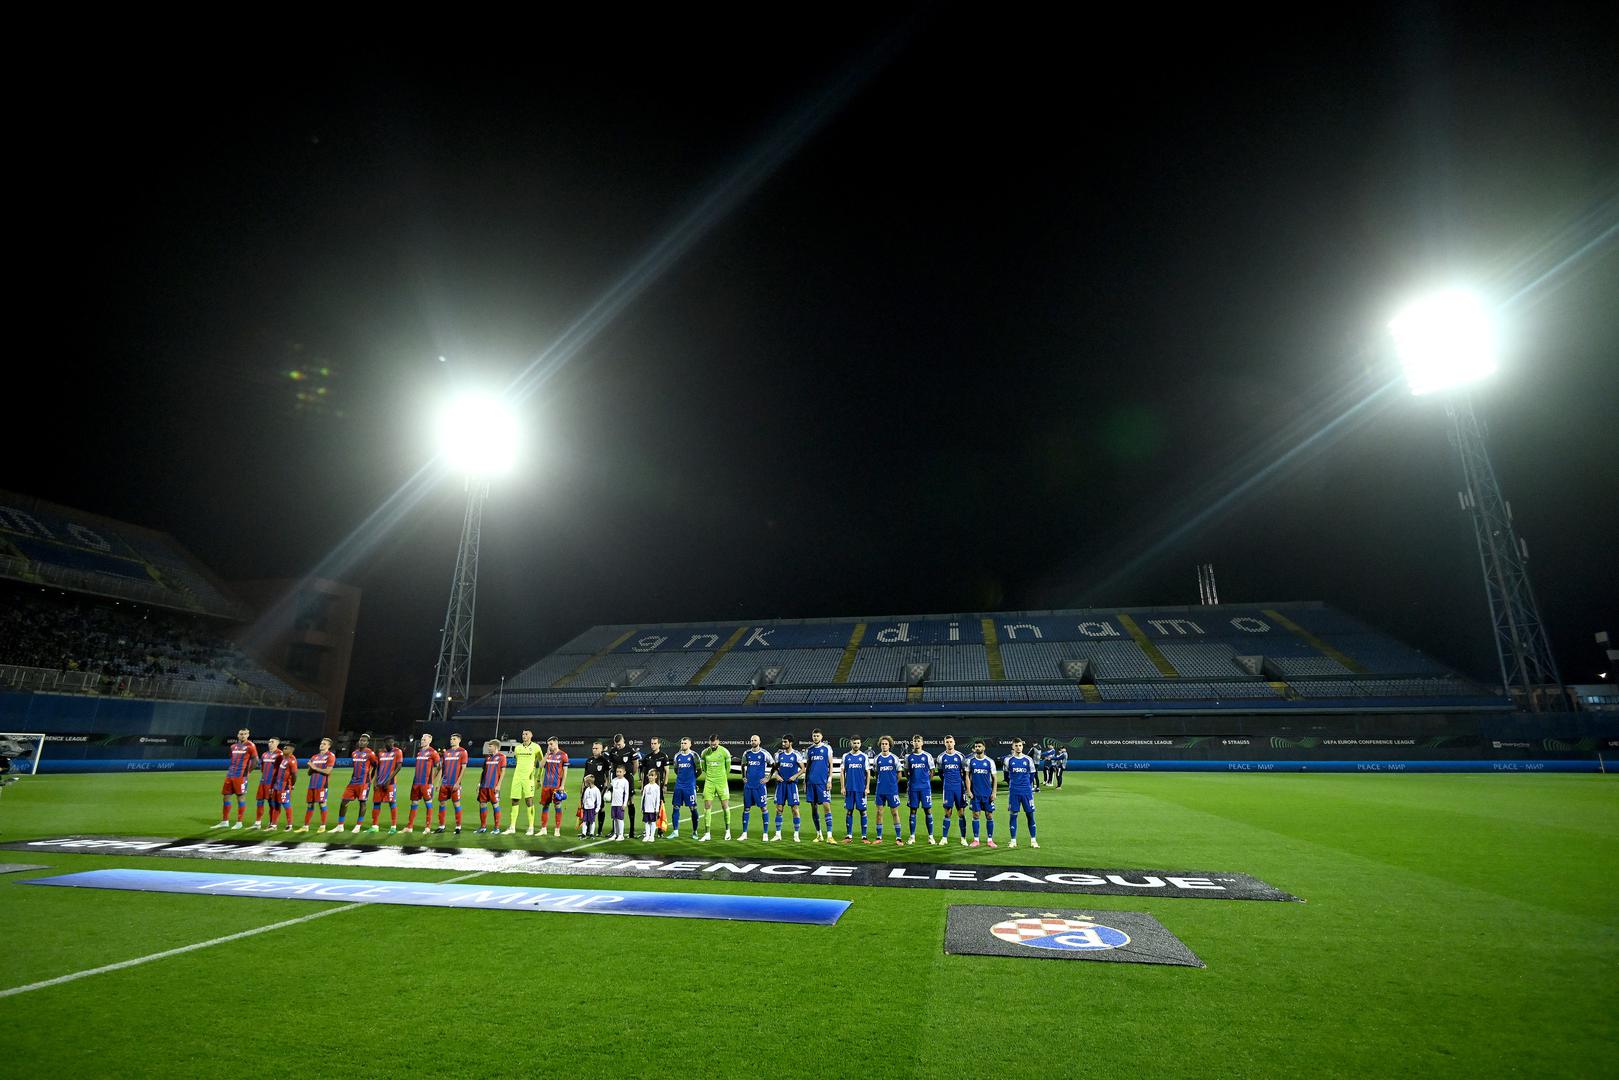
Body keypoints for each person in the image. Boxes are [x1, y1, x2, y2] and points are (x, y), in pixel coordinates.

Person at [214, 727, 259, 829]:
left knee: (240, 797)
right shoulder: (233, 746)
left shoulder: (251, 746)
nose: (243, 736)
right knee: (226, 796)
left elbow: (256, 760)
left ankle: (239, 822)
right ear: (238, 735)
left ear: (248, 735)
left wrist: (248, 772)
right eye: (241, 734)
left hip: (241, 776)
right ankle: (225, 821)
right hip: (230, 775)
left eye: (245, 734)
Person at [332, 734, 378, 833]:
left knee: (362, 803)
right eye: (360, 740)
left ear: (367, 743)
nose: (361, 742)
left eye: (364, 741)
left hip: (364, 782)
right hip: (353, 782)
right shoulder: (354, 753)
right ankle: (340, 826)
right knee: (344, 802)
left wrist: (371, 778)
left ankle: (358, 826)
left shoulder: (370, 753)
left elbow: (375, 766)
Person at [1004, 738, 1039, 849]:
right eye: (1016, 745)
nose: (1018, 747)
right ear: (1012, 747)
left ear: (1022, 746)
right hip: (1014, 792)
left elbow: (1032, 775)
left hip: (1026, 792)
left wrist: (1027, 785)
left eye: (1020, 745)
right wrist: (1013, 784)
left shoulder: (1028, 759)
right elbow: (1006, 775)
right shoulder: (1008, 760)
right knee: (1013, 815)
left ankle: (1033, 840)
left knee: (1030, 815)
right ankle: (1013, 840)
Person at [504, 730, 541, 835]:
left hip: (528, 779)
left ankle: (531, 827)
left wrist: (538, 778)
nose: (524, 736)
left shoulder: (536, 747)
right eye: (523, 734)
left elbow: (541, 762)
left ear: (531, 735)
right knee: (514, 800)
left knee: (529, 801)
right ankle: (512, 827)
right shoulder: (518, 748)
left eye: (526, 734)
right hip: (517, 778)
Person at [297, 737, 336, 832]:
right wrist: (310, 767)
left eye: (324, 744)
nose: (321, 745)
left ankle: (323, 826)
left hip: (322, 785)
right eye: (321, 743)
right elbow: (309, 773)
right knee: (310, 805)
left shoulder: (330, 756)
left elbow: (328, 771)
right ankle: (305, 826)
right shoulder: (314, 757)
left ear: (329, 746)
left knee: (322, 804)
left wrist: (314, 767)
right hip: (312, 784)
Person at [738, 734, 773, 841]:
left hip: (760, 786)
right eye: (752, 740)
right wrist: (743, 776)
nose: (753, 742)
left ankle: (765, 834)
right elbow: (743, 765)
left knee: (763, 808)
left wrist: (768, 777)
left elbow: (774, 765)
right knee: (746, 808)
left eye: (755, 740)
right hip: (748, 786)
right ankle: (744, 833)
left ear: (759, 741)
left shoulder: (764, 753)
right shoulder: (747, 753)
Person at [936, 734, 969, 846]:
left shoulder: (960, 756)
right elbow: (940, 773)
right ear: (944, 743)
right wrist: (947, 782)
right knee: (947, 812)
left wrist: (964, 786)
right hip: (948, 788)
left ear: (954, 742)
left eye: (951, 741)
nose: (949, 744)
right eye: (947, 742)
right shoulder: (941, 757)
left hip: (959, 787)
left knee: (961, 812)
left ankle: (963, 838)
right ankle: (944, 838)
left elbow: (965, 773)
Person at [699, 733, 733, 841]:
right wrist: (711, 776)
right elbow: (704, 768)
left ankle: (728, 831)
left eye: (714, 743)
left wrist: (722, 777)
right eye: (711, 743)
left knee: (724, 805)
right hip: (709, 782)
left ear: (718, 742)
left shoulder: (725, 752)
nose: (713, 745)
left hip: (721, 782)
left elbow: (728, 769)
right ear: (709, 742)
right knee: (707, 806)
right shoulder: (705, 753)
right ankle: (707, 833)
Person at [405, 734, 440, 833]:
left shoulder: (433, 752)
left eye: (424, 740)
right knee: (414, 803)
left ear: (429, 741)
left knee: (428, 804)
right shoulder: (419, 752)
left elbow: (439, 767)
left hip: (426, 783)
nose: (422, 741)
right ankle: (409, 827)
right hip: (416, 782)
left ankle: (427, 827)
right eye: (422, 739)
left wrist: (435, 782)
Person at [905, 734, 937, 845]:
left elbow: (932, 771)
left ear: (922, 743)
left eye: (919, 741)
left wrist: (926, 781)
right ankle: (912, 836)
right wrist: (912, 781)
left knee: (928, 810)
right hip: (913, 788)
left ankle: (931, 837)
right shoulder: (908, 757)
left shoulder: (927, 756)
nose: (917, 743)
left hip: (925, 789)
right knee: (913, 811)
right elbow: (906, 771)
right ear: (912, 743)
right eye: (915, 741)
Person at [772, 735, 804, 842]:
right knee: (779, 809)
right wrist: (776, 775)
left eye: (785, 742)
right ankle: (778, 834)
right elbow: (775, 768)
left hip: (791, 786)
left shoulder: (796, 755)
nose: (783, 744)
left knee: (794, 809)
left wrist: (795, 776)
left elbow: (803, 769)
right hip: (781, 785)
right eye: (783, 742)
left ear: (790, 743)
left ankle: (796, 834)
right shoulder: (779, 755)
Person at [804, 729, 834, 842]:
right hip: (811, 782)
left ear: (821, 737)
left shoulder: (827, 748)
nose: (815, 737)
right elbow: (808, 767)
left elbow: (831, 765)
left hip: (822, 783)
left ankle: (829, 836)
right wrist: (805, 781)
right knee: (814, 808)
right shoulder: (809, 750)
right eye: (814, 736)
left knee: (826, 806)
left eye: (817, 736)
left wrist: (829, 779)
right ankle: (819, 834)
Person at [668, 736, 702, 839]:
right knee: (675, 807)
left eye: (685, 743)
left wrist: (692, 780)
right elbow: (676, 770)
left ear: (690, 744)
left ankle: (695, 832)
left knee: (693, 808)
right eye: (682, 743)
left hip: (689, 787)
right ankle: (675, 831)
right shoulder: (677, 756)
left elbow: (699, 770)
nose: (683, 745)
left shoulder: (694, 755)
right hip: (679, 786)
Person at [436, 733, 470, 835]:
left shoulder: (463, 752)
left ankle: (458, 827)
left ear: (459, 740)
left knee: (456, 804)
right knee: (442, 803)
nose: (451, 740)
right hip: (445, 784)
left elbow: (463, 768)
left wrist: (458, 783)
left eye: (454, 739)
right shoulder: (446, 753)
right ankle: (441, 826)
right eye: (451, 739)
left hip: (455, 784)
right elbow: (442, 769)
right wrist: (438, 783)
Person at [607, 734, 640, 836]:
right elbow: (612, 765)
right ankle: (614, 829)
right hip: (616, 780)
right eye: (616, 744)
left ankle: (632, 830)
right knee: (615, 802)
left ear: (623, 741)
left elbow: (636, 764)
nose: (618, 746)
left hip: (628, 778)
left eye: (619, 744)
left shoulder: (630, 751)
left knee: (630, 801)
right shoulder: (613, 751)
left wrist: (631, 775)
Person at [871, 736, 903, 844]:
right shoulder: (877, 758)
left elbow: (899, 774)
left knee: (894, 813)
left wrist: (892, 784)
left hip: (892, 791)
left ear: (889, 746)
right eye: (882, 744)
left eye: (886, 744)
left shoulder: (894, 758)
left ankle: (898, 838)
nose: (884, 745)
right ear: (880, 745)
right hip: (880, 790)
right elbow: (876, 773)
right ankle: (879, 837)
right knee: (879, 812)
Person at [369, 738, 405, 833]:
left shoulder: (398, 751)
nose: (391, 744)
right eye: (389, 742)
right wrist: (375, 781)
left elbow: (399, 767)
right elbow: (377, 767)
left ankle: (393, 827)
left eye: (392, 742)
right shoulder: (380, 752)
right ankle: (375, 826)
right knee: (376, 803)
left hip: (391, 783)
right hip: (379, 783)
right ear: (385, 743)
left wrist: (389, 779)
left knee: (392, 803)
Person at [839, 736, 870, 844]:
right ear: (851, 743)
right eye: (854, 743)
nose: (856, 745)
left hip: (861, 789)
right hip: (849, 789)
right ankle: (849, 836)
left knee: (863, 811)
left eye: (858, 743)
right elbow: (842, 772)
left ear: (860, 744)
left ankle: (864, 836)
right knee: (849, 811)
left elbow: (868, 772)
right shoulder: (846, 756)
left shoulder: (864, 756)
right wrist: (842, 787)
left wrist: (867, 787)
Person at [537, 737, 570, 837]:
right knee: (545, 806)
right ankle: (543, 829)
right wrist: (546, 754)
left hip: (556, 786)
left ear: (556, 743)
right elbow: (541, 765)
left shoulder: (563, 755)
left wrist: (562, 785)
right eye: (548, 744)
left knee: (557, 806)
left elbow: (565, 772)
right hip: (546, 785)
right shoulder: (548, 755)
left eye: (551, 744)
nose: (549, 746)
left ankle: (557, 829)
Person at [967, 740, 998, 848]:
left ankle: (990, 840)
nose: (977, 748)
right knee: (976, 815)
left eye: (979, 746)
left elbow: (994, 778)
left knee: (989, 815)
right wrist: (968, 790)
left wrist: (994, 792)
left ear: (984, 748)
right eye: (976, 746)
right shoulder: (970, 761)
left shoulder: (990, 761)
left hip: (987, 794)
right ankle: (976, 840)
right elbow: (967, 777)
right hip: (975, 794)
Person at [475, 739, 507, 834]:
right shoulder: (487, 758)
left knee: (495, 805)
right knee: (482, 804)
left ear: (495, 747)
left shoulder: (502, 757)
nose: (488, 747)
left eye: (490, 746)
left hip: (494, 786)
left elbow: (503, 772)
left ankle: (497, 828)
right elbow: (483, 772)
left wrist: (499, 785)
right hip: (484, 786)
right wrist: (479, 784)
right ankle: (483, 827)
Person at [250, 737, 281, 829]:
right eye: (269, 742)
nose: (270, 743)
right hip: (263, 781)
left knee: (272, 803)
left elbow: (281, 770)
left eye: (272, 742)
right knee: (260, 801)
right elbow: (262, 768)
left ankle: (272, 823)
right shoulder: (264, 754)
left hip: (272, 783)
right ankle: (257, 823)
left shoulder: (280, 754)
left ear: (277, 743)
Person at [641, 736, 671, 832]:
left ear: (659, 744)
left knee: (659, 805)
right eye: (652, 743)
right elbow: (643, 773)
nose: (653, 745)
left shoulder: (663, 756)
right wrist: (642, 786)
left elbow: (667, 771)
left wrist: (665, 785)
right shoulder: (647, 757)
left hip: (659, 786)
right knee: (648, 805)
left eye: (655, 743)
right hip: (648, 786)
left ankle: (660, 829)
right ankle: (648, 827)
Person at [582, 741, 612, 836]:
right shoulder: (589, 761)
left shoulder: (604, 761)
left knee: (600, 808)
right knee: (587, 807)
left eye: (596, 748)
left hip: (600, 788)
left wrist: (607, 787)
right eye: (593, 748)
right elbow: (585, 776)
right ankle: (587, 830)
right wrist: (582, 788)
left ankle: (599, 830)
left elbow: (607, 775)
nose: (594, 750)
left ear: (601, 749)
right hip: (588, 789)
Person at [269, 741, 298, 831]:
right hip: (277, 786)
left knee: (286, 804)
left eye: (286, 748)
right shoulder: (284, 758)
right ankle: (273, 825)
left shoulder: (292, 760)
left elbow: (294, 774)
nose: (283, 749)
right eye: (284, 748)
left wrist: (292, 784)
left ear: (291, 750)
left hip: (284, 787)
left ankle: (289, 825)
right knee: (276, 804)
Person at [609, 765, 630, 841]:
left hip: (620, 803)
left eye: (620, 772)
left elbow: (626, 793)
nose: (618, 773)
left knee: (620, 819)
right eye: (617, 772)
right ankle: (615, 834)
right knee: (614, 819)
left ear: (624, 772)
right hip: (613, 803)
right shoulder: (614, 780)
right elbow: (610, 789)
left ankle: (621, 835)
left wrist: (624, 804)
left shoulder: (625, 781)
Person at [640, 773, 662, 842]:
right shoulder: (646, 787)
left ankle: (652, 836)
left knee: (652, 822)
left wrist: (657, 808)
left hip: (653, 808)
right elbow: (643, 797)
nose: (650, 777)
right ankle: (647, 835)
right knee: (646, 822)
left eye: (652, 775)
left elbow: (658, 798)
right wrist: (641, 807)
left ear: (655, 777)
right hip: (646, 807)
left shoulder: (657, 787)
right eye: (649, 775)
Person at [579, 775, 602, 840]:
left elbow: (599, 801)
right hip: (586, 808)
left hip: (592, 808)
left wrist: (597, 809)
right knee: (584, 821)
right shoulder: (587, 789)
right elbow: (584, 798)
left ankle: (592, 833)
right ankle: (583, 834)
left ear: (589, 782)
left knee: (592, 821)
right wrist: (583, 805)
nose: (585, 784)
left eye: (585, 782)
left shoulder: (596, 790)